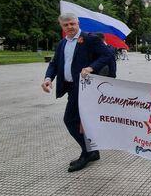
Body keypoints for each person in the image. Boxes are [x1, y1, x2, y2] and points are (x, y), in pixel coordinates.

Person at [41, 13, 114, 172]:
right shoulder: (62, 44)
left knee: (70, 120)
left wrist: (91, 67)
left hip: (84, 88)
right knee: (79, 121)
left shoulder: (90, 39)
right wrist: (48, 78)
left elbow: (108, 54)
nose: (70, 27)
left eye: (72, 24)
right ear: (61, 26)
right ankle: (92, 151)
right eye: (66, 25)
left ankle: (87, 152)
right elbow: (55, 64)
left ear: (78, 23)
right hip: (69, 87)